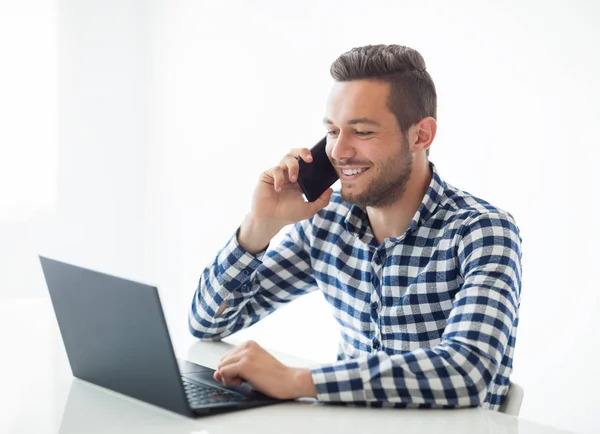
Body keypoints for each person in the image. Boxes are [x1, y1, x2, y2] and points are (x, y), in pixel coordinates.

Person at [188, 44, 523, 411]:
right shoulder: (326, 223)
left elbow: (466, 374)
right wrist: (258, 227)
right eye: (332, 131)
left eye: (361, 132)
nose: (338, 152)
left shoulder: (482, 231)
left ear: (421, 136)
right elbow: (208, 324)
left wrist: (298, 381)